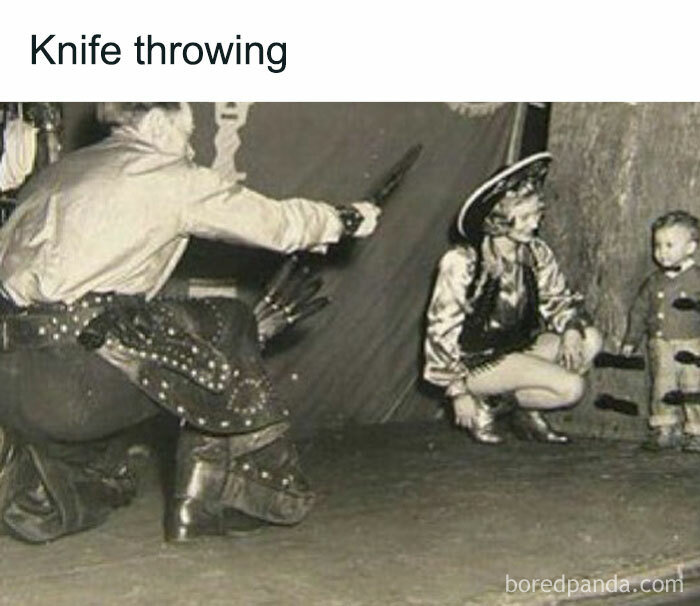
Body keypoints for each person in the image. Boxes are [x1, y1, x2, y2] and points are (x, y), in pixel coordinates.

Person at [0, 102, 381, 543]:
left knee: (147, 326)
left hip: (13, 387)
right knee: (229, 320)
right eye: (186, 132)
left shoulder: (61, 172)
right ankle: (205, 501)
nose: (191, 147)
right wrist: (344, 220)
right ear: (156, 124)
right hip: (75, 387)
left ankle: (46, 486)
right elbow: (277, 225)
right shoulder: (165, 174)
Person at [424, 152, 602, 445]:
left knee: (589, 339)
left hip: (517, 348)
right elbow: (440, 331)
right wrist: (457, 391)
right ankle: (486, 402)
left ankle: (519, 409)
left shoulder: (536, 252)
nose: (535, 224)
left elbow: (557, 299)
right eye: (526, 217)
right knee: (571, 388)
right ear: (500, 219)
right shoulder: (462, 261)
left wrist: (570, 328)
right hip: (475, 362)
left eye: (537, 214)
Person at [621, 210, 700, 451]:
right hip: (661, 345)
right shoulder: (653, 281)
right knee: (662, 386)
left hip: (692, 345)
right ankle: (665, 429)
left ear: (690, 248)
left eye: (669, 245)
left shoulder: (697, 279)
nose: (662, 252)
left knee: (693, 387)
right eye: (658, 245)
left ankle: (696, 430)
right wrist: (631, 339)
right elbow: (639, 311)